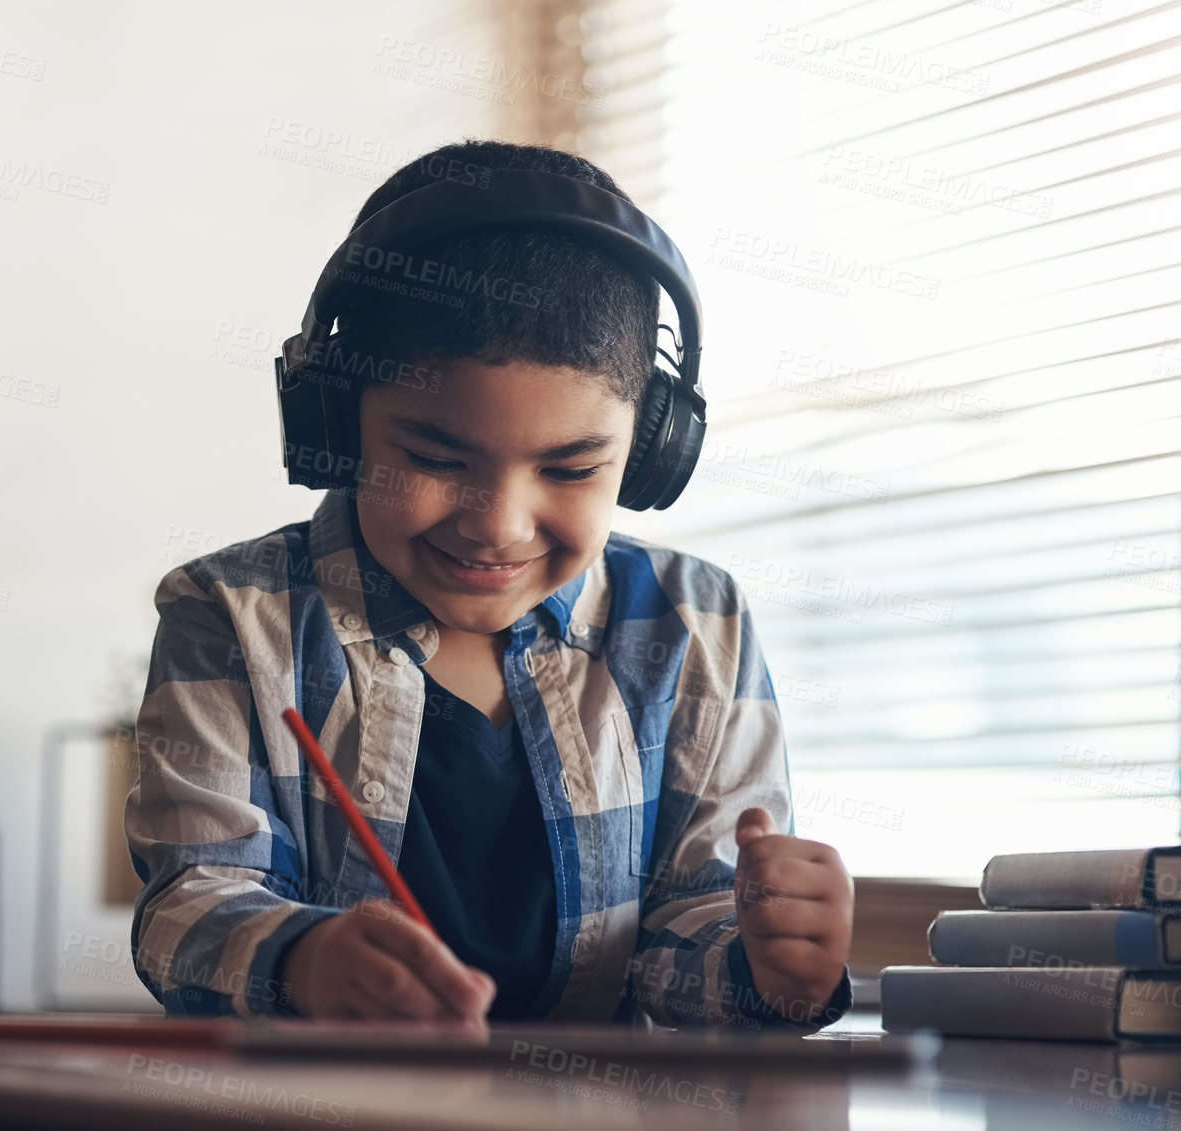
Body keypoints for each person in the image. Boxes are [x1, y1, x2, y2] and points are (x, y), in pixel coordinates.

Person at [123, 140, 855, 1028]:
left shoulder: (695, 621)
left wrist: (770, 968)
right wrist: (305, 961)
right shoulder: (232, 618)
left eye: (573, 468)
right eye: (433, 458)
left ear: (651, 452)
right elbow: (190, 904)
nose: (498, 524)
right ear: (335, 425)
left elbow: (685, 935)